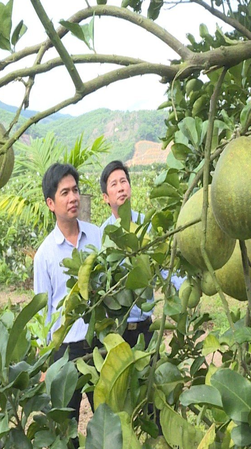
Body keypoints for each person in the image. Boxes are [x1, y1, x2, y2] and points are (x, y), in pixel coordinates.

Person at [34, 163, 102, 421]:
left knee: (108, 415)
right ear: (51, 203)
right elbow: (43, 314)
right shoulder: (45, 255)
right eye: (65, 192)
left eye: (75, 190)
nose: (73, 197)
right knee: (66, 426)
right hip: (64, 352)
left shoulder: (96, 237)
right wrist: (45, 362)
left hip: (97, 344)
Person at [99, 160, 184, 347]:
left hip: (145, 328)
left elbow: (164, 265)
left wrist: (184, 286)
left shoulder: (147, 225)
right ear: (106, 197)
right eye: (114, 184)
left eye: (124, 181)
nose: (121, 188)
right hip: (116, 331)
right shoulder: (102, 234)